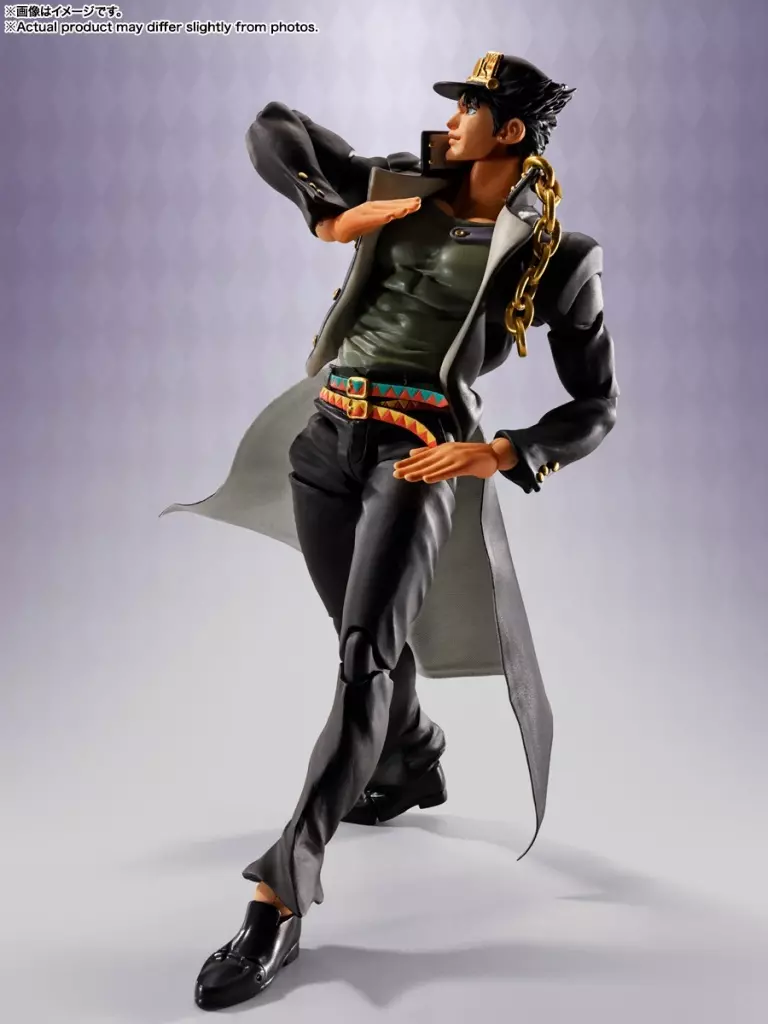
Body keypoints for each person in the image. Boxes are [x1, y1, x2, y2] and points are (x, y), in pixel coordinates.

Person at [160, 51, 619, 1010]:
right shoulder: (402, 185)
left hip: (415, 458)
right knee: (362, 642)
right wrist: (326, 214)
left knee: (364, 657)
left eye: (471, 108)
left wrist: (501, 452)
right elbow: (273, 123)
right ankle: (411, 757)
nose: (452, 120)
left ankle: (279, 895)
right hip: (323, 443)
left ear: (510, 132)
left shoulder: (557, 255)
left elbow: (596, 407)